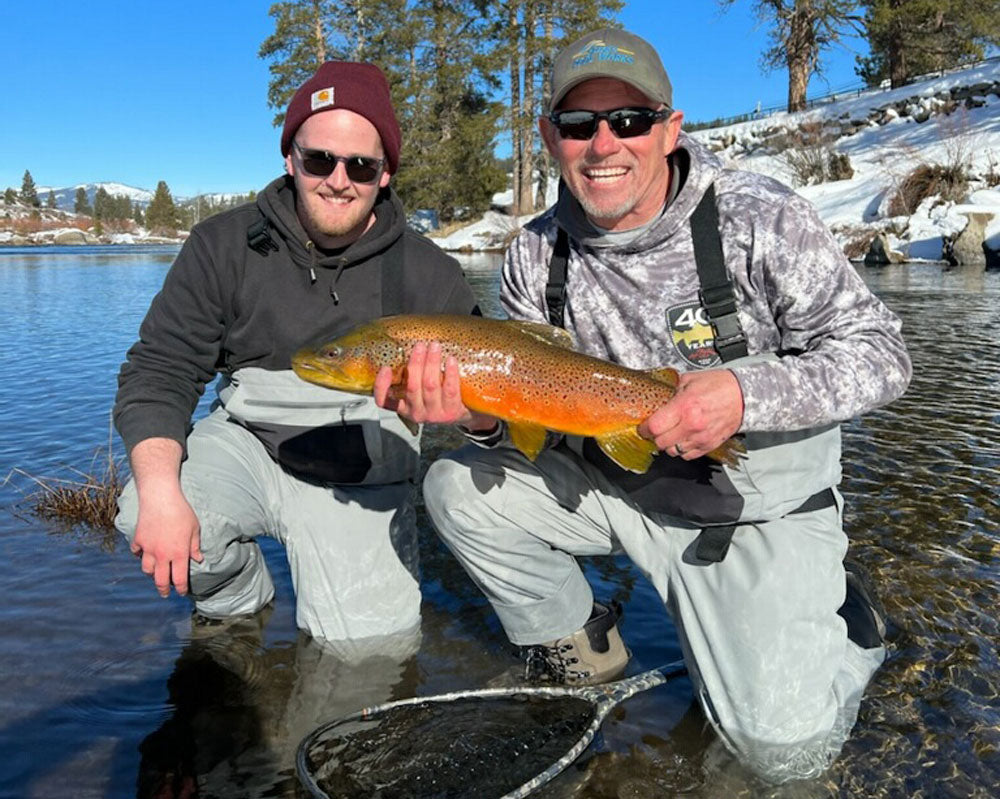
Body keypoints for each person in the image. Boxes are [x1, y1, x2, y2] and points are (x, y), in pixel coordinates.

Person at [377, 28, 912, 782]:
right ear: (550, 137)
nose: (604, 145)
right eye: (577, 124)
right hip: (618, 486)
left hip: (754, 507)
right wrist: (474, 415)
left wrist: (743, 391)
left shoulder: (760, 218)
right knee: (457, 487)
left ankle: (848, 626)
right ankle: (587, 649)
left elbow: (884, 355)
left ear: (669, 128)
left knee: (784, 756)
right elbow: (526, 423)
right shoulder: (534, 253)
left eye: (628, 121)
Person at [114, 61, 479, 646]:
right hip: (247, 449)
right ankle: (237, 604)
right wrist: (160, 492)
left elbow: (489, 404)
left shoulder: (429, 273)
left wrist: (466, 416)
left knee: (369, 653)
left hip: (363, 469)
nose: (339, 179)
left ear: (384, 175)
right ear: (290, 158)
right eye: (319, 160)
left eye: (361, 165)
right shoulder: (222, 245)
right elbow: (162, 369)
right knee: (143, 507)